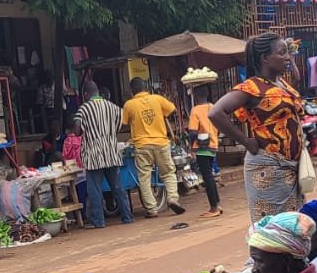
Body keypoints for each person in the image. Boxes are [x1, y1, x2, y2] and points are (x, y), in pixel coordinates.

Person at [210, 33, 307, 220]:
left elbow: (297, 78)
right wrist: (246, 141)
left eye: (288, 53)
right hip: (269, 166)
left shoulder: (282, 84)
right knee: (274, 231)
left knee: (295, 226)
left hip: (292, 166)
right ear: (265, 58)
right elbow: (216, 113)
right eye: (282, 53)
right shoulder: (251, 87)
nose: (287, 57)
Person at [120, 78, 183, 218]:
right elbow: (172, 110)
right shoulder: (157, 99)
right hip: (161, 142)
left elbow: (124, 124)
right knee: (168, 173)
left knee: (144, 178)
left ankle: (152, 209)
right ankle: (172, 198)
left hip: (141, 145)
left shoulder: (129, 105)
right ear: (145, 87)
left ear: (132, 91)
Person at [73, 81, 132, 229]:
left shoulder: (83, 109)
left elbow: (77, 131)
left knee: (95, 190)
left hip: (93, 155)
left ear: (85, 94)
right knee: (118, 187)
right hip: (111, 151)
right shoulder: (113, 107)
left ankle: (98, 221)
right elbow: (123, 123)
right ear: (98, 91)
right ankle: (127, 217)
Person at [186, 87, 223, 218]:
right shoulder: (213, 107)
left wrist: (191, 146)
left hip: (202, 147)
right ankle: (217, 203)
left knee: (207, 177)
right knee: (210, 176)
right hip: (213, 144)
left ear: (195, 96)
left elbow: (193, 132)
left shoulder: (195, 110)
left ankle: (214, 207)